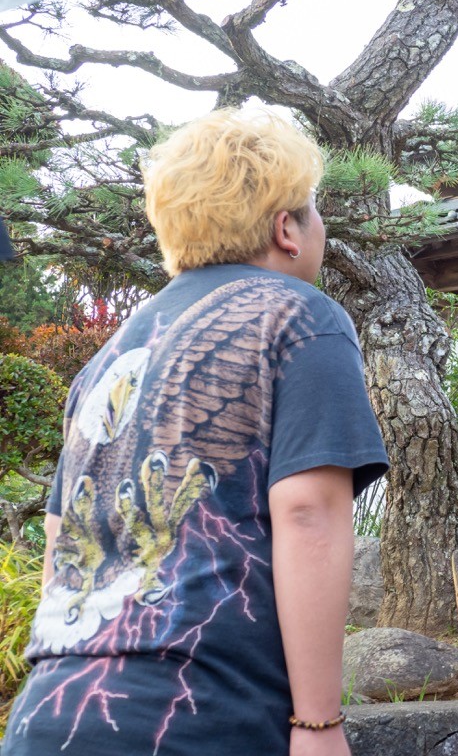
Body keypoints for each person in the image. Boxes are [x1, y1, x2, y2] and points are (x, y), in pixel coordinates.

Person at [4, 109, 389, 755]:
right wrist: (319, 724)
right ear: (286, 227)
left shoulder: (109, 357)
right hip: (196, 717)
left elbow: (59, 535)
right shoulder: (300, 317)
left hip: (49, 713)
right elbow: (308, 513)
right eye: (314, 212)